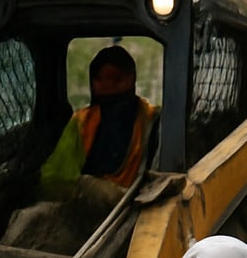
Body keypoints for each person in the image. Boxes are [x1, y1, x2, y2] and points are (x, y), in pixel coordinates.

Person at [39, 45, 158, 197]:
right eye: (100, 79)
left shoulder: (152, 120)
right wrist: (88, 187)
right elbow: (53, 179)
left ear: (132, 78)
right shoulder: (81, 123)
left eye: (117, 79)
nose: (109, 86)